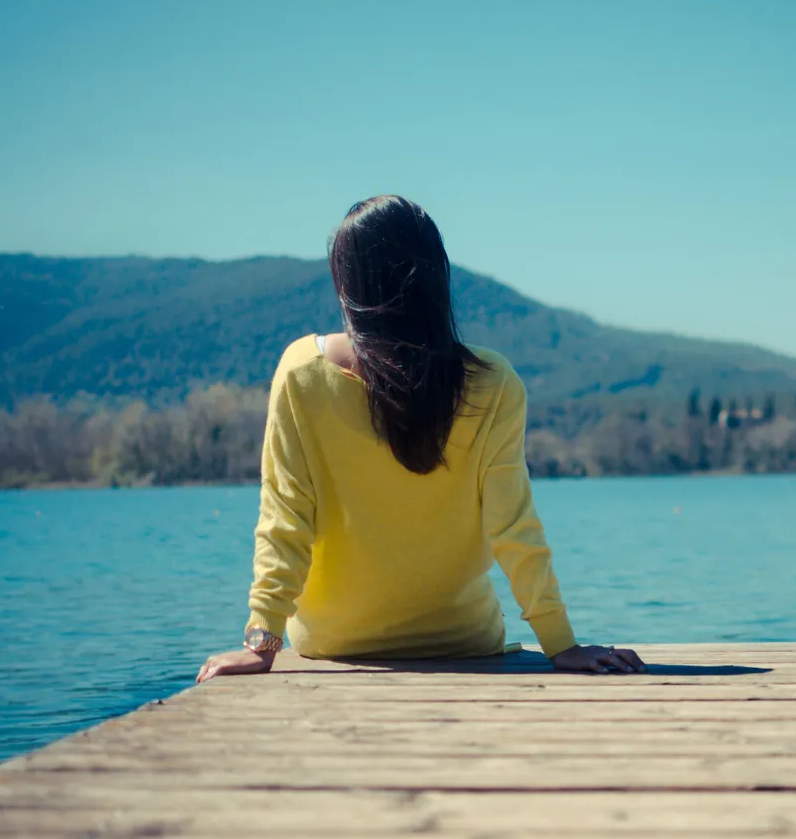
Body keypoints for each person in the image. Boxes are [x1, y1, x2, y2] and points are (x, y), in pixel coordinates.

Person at [197, 195, 645, 681]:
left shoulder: (302, 372)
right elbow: (513, 528)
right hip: (464, 642)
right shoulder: (493, 382)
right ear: (435, 275)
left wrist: (263, 642)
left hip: (335, 647)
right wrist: (561, 644)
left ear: (347, 284)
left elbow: (285, 518)